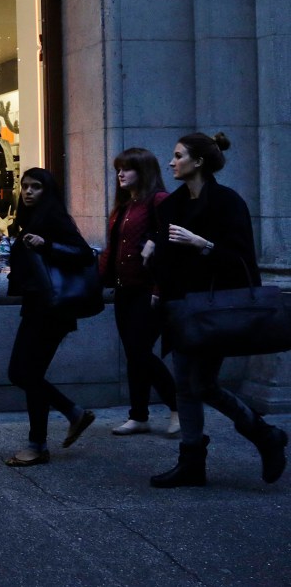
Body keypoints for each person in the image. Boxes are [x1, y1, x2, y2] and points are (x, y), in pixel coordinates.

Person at [150, 132, 287, 487]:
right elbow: (166, 260)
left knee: (202, 383)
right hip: (180, 309)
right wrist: (157, 285)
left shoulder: (227, 202)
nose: (171, 162)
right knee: (186, 384)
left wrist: (203, 244)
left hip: (215, 311)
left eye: (178, 156)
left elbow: (241, 261)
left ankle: (263, 434)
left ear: (198, 162)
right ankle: (193, 460)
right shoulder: (170, 206)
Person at [4, 167, 96, 466]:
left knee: (24, 373)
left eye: (36, 187)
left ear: (48, 191)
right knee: (27, 374)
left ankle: (46, 437)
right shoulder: (30, 219)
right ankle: (59, 425)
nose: (28, 192)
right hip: (39, 306)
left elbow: (84, 253)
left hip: (52, 309)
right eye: (25, 186)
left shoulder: (53, 217)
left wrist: (48, 245)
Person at [98, 147, 179, 436]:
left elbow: (173, 246)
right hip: (125, 290)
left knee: (140, 351)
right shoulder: (123, 206)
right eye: (118, 168)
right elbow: (113, 249)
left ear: (143, 171)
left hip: (150, 290)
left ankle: (177, 406)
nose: (120, 173)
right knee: (134, 353)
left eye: (127, 168)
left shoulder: (159, 200)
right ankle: (139, 415)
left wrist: (159, 287)